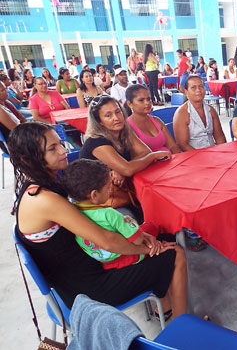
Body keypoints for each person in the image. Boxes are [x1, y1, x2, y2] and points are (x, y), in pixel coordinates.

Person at [9, 122, 187, 317]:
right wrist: (150, 249)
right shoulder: (44, 199)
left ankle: (165, 305)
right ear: (28, 159)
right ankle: (183, 324)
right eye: (52, 148)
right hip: (87, 289)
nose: (63, 151)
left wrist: (148, 241)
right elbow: (107, 241)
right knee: (174, 252)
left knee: (162, 234)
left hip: (83, 270)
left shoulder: (38, 187)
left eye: (60, 143)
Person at [62, 159, 177, 270]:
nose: (110, 190)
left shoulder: (73, 212)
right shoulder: (108, 214)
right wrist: (132, 222)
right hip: (127, 257)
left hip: (106, 262)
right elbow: (137, 240)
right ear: (94, 195)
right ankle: (163, 247)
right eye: (108, 188)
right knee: (152, 226)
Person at [173, 75, 226, 150]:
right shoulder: (181, 113)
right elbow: (183, 145)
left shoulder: (211, 110)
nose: (198, 90)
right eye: (193, 87)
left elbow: (220, 137)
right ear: (186, 92)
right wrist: (201, 158)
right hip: (193, 156)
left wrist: (222, 152)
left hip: (213, 153)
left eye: (201, 86)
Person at [125, 84, 181, 154]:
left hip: (170, 159)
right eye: (141, 100)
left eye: (148, 99)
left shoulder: (156, 120)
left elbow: (172, 146)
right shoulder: (128, 126)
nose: (147, 103)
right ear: (130, 104)